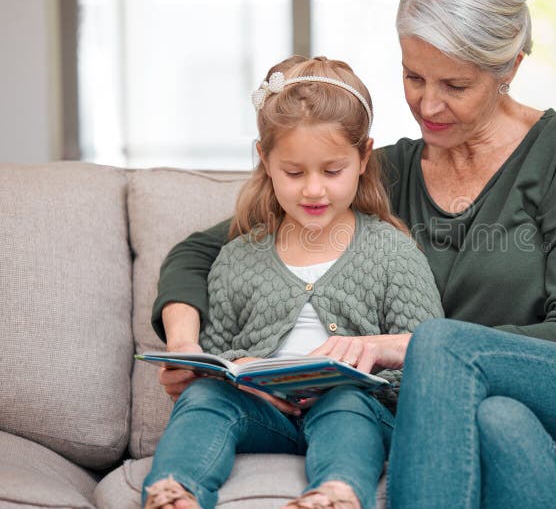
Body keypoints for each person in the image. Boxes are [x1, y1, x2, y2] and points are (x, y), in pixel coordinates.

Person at [153, 0, 556, 509]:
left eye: (456, 85)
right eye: (413, 76)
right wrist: (185, 346)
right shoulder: (384, 175)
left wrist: (401, 347)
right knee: (496, 419)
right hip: (501, 409)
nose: (428, 103)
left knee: (440, 342)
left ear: (509, 66)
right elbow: (200, 252)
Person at [142, 56, 443, 509]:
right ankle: (174, 490)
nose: (313, 190)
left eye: (332, 170)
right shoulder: (240, 255)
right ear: (264, 160)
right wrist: (239, 370)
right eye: (294, 173)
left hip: (357, 411)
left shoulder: (392, 253)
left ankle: (336, 493)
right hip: (266, 415)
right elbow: (218, 351)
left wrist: (362, 377)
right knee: (206, 395)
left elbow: (429, 361)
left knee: (345, 405)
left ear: (364, 157)